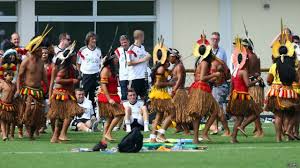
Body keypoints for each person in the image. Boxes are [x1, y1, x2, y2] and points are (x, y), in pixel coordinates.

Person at [16, 26, 51, 140]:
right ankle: (21, 130)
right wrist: (17, 90)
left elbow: (45, 79)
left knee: (38, 113)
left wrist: (50, 92)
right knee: (25, 111)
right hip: (27, 90)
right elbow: (19, 77)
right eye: (40, 49)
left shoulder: (41, 62)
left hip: (38, 91)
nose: (43, 51)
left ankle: (32, 131)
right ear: (35, 50)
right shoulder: (26, 61)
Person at [265, 28, 298, 142]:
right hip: (288, 91)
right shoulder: (291, 66)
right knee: (292, 114)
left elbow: (269, 80)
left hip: (275, 92)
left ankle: (278, 137)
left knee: (278, 116)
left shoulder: (274, 66)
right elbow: (295, 78)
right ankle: (289, 131)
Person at [226, 37, 262, 143]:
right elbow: (248, 84)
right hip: (243, 96)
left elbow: (232, 86)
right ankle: (242, 126)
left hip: (235, 96)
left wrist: (230, 96)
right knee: (256, 112)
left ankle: (233, 138)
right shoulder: (243, 71)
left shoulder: (234, 72)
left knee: (239, 117)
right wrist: (257, 80)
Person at [187, 34, 221, 144]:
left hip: (198, 88)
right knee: (215, 111)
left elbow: (197, 77)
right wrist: (214, 75)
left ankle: (197, 138)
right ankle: (204, 133)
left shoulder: (199, 61)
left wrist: (211, 78)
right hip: (202, 89)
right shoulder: (205, 62)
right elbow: (202, 78)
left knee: (198, 114)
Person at [48, 41, 84, 143]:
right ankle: (62, 134)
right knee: (70, 113)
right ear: (70, 58)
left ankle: (55, 137)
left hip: (66, 93)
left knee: (61, 116)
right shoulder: (64, 68)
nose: (76, 57)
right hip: (61, 94)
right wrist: (72, 80)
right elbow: (58, 80)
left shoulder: (71, 67)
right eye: (74, 56)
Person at [148, 37, 174, 142]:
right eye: (168, 56)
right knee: (173, 113)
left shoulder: (162, 67)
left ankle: (153, 137)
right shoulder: (161, 68)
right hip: (160, 94)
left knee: (159, 115)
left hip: (158, 93)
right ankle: (161, 133)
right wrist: (170, 83)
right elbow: (158, 84)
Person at [97, 54, 124, 141]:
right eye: (116, 58)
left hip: (114, 95)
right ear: (111, 60)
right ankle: (108, 133)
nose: (117, 60)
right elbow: (103, 85)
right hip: (107, 97)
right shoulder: (105, 70)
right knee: (120, 113)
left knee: (110, 118)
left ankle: (104, 138)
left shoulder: (113, 70)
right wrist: (109, 99)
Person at [242, 39, 264, 137]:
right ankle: (258, 129)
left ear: (247, 47)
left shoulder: (248, 58)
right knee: (254, 109)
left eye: (243, 46)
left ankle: (259, 130)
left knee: (254, 109)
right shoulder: (256, 56)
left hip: (254, 85)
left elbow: (247, 71)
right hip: (257, 84)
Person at [168, 48, 191, 135]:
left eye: (170, 57)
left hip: (179, 92)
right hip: (176, 91)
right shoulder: (175, 66)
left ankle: (186, 131)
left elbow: (180, 80)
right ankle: (178, 127)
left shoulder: (180, 66)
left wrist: (174, 90)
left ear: (174, 57)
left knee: (180, 111)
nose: (169, 59)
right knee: (174, 110)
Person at [77, 32, 102, 108]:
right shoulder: (82, 50)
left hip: (96, 75)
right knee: (83, 94)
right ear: (88, 40)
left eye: (95, 39)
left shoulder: (98, 50)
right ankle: (81, 112)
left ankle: (93, 114)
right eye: (92, 39)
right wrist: (80, 74)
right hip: (86, 75)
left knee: (94, 95)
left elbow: (101, 63)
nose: (94, 40)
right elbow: (78, 63)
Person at [127, 30, 151, 100]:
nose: (144, 38)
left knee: (145, 98)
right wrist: (143, 59)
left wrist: (148, 55)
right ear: (140, 37)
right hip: (135, 78)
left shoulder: (142, 47)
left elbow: (146, 55)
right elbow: (129, 63)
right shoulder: (131, 48)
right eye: (143, 36)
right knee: (133, 98)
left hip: (143, 77)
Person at [210, 56, 231, 136]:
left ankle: (227, 131)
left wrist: (204, 79)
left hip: (219, 87)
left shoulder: (216, 64)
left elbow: (217, 77)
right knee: (215, 109)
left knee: (219, 109)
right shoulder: (220, 63)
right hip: (220, 87)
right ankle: (215, 128)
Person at [0, 70, 16, 141]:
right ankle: (3, 134)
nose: (11, 77)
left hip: (10, 105)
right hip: (2, 104)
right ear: (5, 76)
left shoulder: (14, 85)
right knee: (2, 120)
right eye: (10, 75)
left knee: (9, 121)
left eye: (12, 75)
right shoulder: (2, 84)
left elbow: (14, 95)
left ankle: (6, 134)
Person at [115, 35, 130, 101]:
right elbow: (115, 62)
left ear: (128, 42)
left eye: (125, 42)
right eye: (122, 43)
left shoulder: (133, 49)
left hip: (132, 76)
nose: (124, 44)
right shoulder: (118, 50)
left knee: (132, 94)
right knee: (124, 95)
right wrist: (117, 73)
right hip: (122, 76)